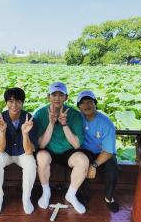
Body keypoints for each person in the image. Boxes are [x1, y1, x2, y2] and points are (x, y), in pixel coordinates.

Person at [34, 81, 89, 214]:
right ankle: (46, 192)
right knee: (41, 157)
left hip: (68, 152)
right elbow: (41, 144)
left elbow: (76, 145)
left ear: (66, 97)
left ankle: (71, 194)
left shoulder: (75, 115)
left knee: (83, 161)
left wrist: (64, 124)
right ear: (48, 97)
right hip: (48, 149)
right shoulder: (40, 114)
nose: (57, 98)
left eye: (61, 95)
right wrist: (51, 123)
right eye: (54, 95)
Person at [0, 87, 38, 215]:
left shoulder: (30, 119)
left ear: (22, 103)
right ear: (6, 103)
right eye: (10, 101)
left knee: (31, 164)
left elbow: (28, 151)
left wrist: (25, 133)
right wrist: (2, 131)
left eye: (18, 101)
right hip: (5, 152)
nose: (14, 105)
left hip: (22, 153)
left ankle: (26, 198)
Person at [77, 90, 119, 212]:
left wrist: (94, 165)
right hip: (86, 151)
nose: (87, 105)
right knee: (81, 163)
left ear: (95, 103)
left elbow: (109, 150)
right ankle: (83, 195)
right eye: (83, 103)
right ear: (79, 106)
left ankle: (109, 197)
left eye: (90, 102)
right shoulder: (77, 117)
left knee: (112, 169)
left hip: (104, 153)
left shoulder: (106, 123)